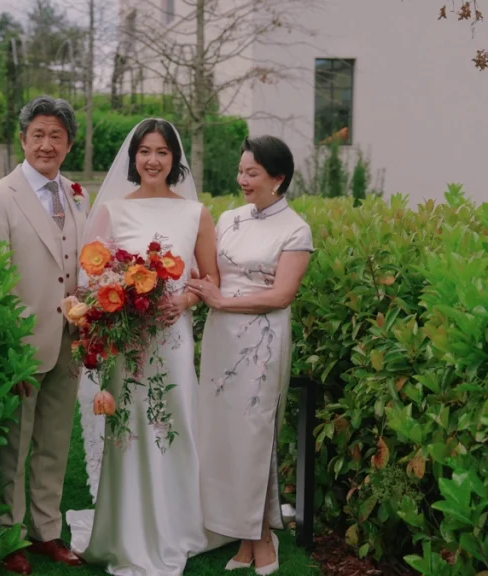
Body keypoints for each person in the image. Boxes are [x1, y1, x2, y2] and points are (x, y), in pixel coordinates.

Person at [65, 118, 230, 575]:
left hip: (172, 337)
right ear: (133, 158)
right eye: (144, 152)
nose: (153, 160)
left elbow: (210, 278)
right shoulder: (113, 210)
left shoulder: (195, 213)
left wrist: (182, 299)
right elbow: (90, 279)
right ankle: (126, 527)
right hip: (128, 340)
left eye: (162, 151)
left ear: (175, 159)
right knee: (130, 428)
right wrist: (114, 301)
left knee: (173, 421)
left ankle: (178, 524)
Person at [186, 135, 313, 575]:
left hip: (262, 340)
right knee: (222, 434)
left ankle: (261, 536)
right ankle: (241, 535)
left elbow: (282, 294)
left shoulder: (296, 229)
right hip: (221, 338)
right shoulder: (230, 218)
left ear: (278, 178)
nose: (242, 180)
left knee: (255, 435)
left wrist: (222, 302)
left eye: (252, 173)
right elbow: (211, 273)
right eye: (241, 171)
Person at [0, 95, 87, 575]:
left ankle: (47, 531)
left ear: (69, 144)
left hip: (70, 339)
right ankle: (8, 535)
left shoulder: (79, 195)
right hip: (23, 342)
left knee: (55, 440)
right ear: (22, 140)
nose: (46, 144)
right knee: (12, 445)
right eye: (37, 134)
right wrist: (8, 348)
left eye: (55, 136)